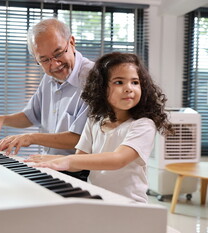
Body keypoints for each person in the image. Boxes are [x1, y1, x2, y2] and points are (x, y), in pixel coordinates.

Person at [25, 52, 174, 203]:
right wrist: (53, 161)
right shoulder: (94, 121)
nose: (129, 88)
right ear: (101, 88)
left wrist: (67, 160)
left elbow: (118, 159)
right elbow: (79, 161)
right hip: (98, 199)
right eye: (119, 82)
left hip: (130, 205)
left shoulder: (143, 125)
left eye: (135, 82)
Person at [0, 18, 94, 160]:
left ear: (71, 42)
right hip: (50, 164)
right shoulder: (49, 77)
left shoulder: (93, 79)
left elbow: (81, 139)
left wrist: (31, 138)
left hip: (78, 171)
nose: (55, 64)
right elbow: (30, 116)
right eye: (44, 60)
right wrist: (2, 119)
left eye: (58, 54)